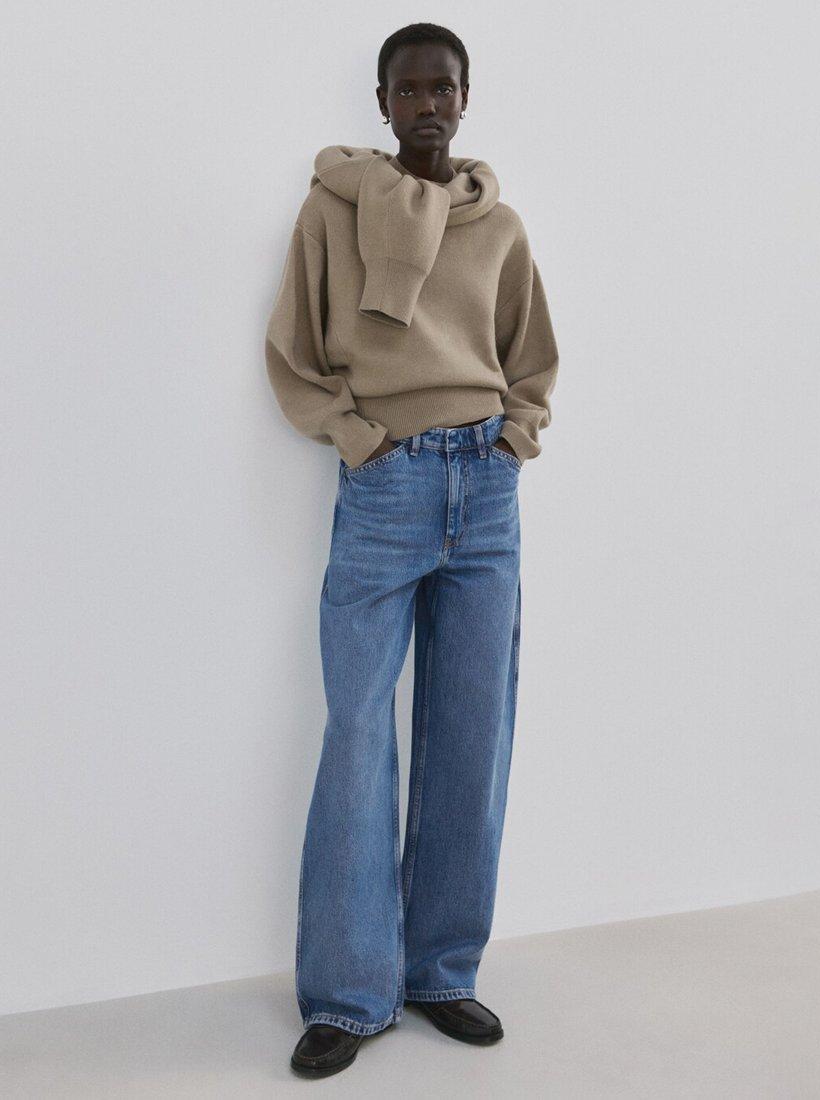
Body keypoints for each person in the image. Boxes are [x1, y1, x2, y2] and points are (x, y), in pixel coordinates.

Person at [264, 22, 560, 1079]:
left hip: (485, 489)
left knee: (471, 730)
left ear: (465, 98)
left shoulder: (500, 226)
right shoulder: (331, 211)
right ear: (382, 102)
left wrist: (516, 437)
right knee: (357, 730)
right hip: (385, 485)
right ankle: (350, 993)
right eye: (409, 89)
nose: (428, 104)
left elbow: (531, 356)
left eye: (444, 88)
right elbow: (294, 350)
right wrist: (361, 440)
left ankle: (439, 970)